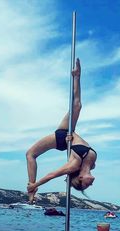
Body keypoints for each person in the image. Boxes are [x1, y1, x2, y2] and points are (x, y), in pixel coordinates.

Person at [26, 58, 97, 203]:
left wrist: (35, 184)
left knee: (30, 154)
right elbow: (86, 164)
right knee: (77, 105)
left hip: (62, 136)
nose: (91, 184)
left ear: (80, 178)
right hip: (70, 134)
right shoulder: (93, 163)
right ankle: (77, 76)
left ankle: (31, 190)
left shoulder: (73, 166)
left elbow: (51, 175)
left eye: (86, 185)